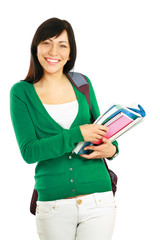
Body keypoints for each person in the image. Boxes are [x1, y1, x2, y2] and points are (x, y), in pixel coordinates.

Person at [10, 18, 119, 240]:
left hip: (99, 200)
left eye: (62, 45)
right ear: (36, 48)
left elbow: (103, 131)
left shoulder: (82, 83)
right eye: (47, 42)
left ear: (70, 54)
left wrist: (113, 149)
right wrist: (76, 134)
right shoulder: (21, 92)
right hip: (53, 205)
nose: (54, 51)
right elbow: (29, 151)